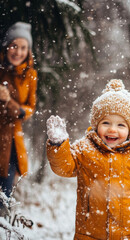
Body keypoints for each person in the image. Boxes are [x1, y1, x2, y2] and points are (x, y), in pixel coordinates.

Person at [46, 79, 130, 240]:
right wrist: (58, 145)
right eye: (106, 122)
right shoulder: (85, 148)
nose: (112, 129)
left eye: (121, 125)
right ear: (96, 125)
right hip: (91, 233)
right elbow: (63, 167)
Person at [0, 22, 38, 198]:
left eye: (23, 47)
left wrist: (9, 102)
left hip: (11, 142)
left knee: (4, 196)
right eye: (14, 46)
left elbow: (29, 109)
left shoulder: (30, 75)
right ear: (7, 46)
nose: (18, 52)